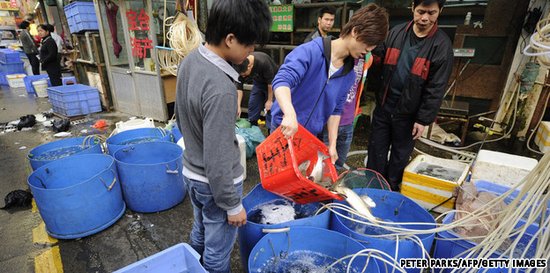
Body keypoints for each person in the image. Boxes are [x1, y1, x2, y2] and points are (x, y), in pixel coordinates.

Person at [174, 0, 271, 272]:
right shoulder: (221, 88)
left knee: (201, 231)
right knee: (218, 251)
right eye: (249, 44)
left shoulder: (191, 60)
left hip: (192, 172)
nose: (252, 51)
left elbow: (181, 119)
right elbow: (217, 158)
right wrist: (232, 205)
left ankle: (191, 266)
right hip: (215, 184)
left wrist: (195, 148)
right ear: (230, 39)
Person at [271, 3, 389, 163]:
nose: (367, 52)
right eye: (367, 46)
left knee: (299, 180)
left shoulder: (349, 74)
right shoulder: (310, 51)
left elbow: (336, 110)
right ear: (355, 32)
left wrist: (332, 145)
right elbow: (282, 81)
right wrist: (289, 113)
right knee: (277, 178)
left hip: (309, 136)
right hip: (284, 128)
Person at [366, 0, 454, 191]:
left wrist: (423, 119)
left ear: (440, 11)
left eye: (431, 13)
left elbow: (436, 87)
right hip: (384, 106)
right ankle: (372, 189)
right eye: (421, 11)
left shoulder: (441, 45)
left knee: (399, 156)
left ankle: (391, 192)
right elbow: (377, 59)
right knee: (376, 152)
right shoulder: (396, 33)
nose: (424, 18)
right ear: (412, 8)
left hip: (409, 114)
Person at [322, 53, 373, 169]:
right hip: (328, 120)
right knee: (323, 165)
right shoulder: (335, 55)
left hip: (349, 120)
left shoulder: (367, 58)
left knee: (338, 164)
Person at [234, 51, 277, 129]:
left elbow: (271, 83)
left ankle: (270, 132)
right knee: (253, 105)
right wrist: (238, 105)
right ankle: (252, 130)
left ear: (250, 66)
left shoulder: (263, 62)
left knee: (270, 109)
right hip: (258, 83)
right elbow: (239, 87)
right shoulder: (241, 63)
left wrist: (269, 100)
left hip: (272, 84)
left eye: (244, 74)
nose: (243, 77)